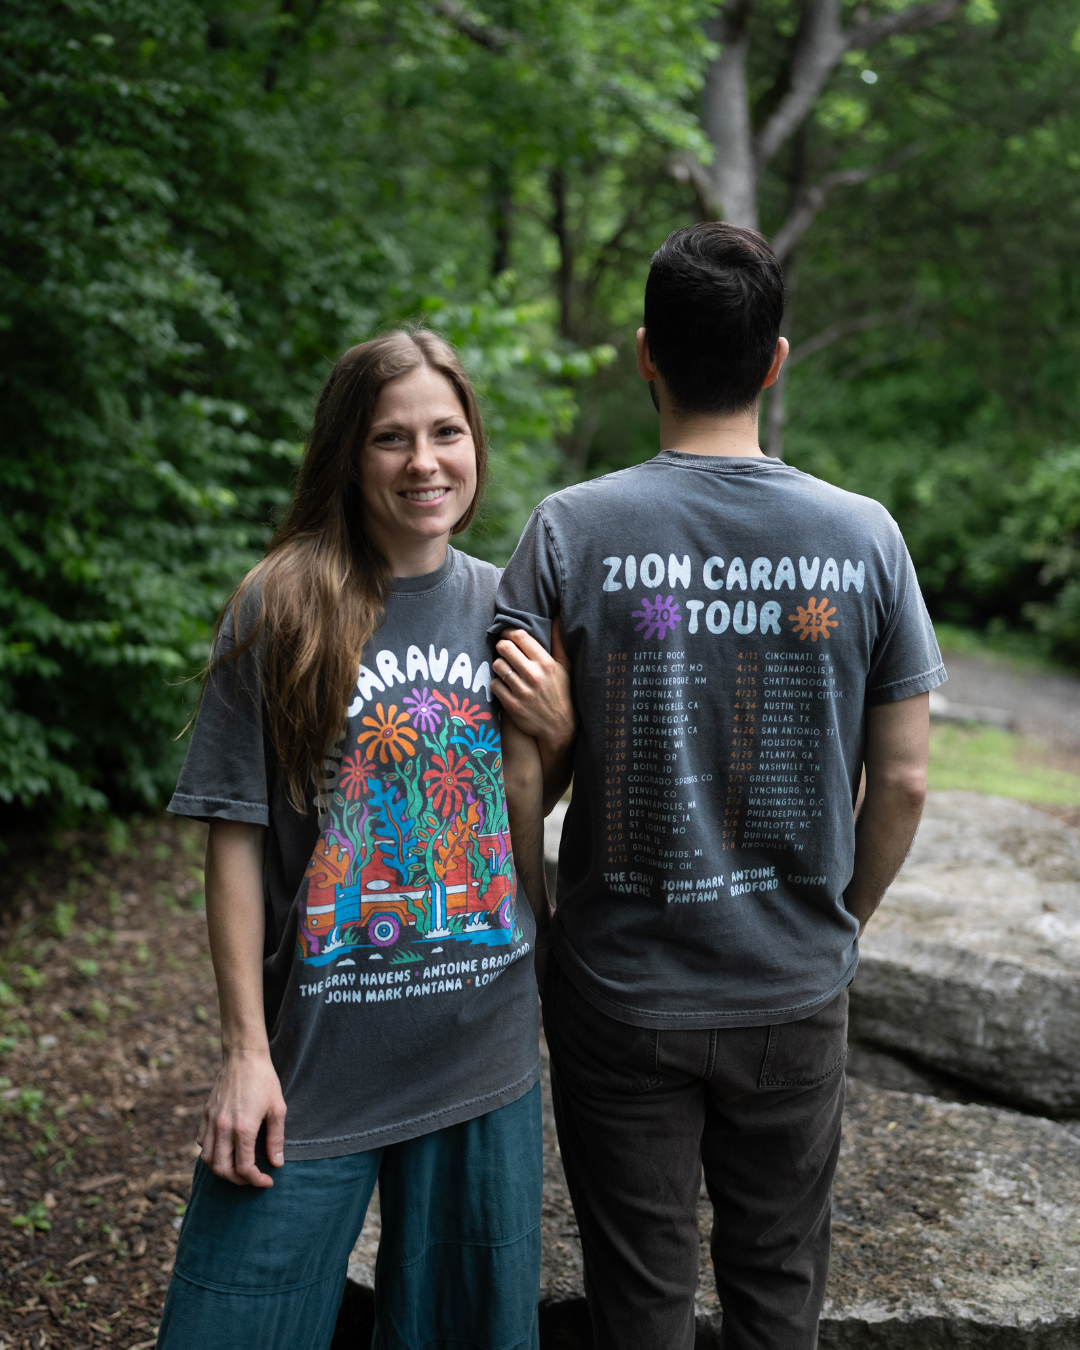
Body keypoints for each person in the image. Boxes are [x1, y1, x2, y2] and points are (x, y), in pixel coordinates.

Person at [493, 222, 945, 1350]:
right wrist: (840, 924)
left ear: (646, 354)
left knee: (637, 1302)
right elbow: (904, 782)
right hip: (793, 986)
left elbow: (513, 777)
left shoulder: (568, 532)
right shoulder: (867, 538)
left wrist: (544, 924)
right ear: (775, 360)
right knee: (777, 1295)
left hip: (619, 992)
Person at [158, 329, 575, 1350]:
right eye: (392, 438)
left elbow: (509, 820)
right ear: (349, 453)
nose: (424, 462)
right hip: (314, 1064)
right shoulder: (283, 605)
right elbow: (235, 836)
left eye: (446, 433)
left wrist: (559, 736)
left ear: (475, 444)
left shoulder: (506, 609)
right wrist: (244, 1054)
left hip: (482, 1056)